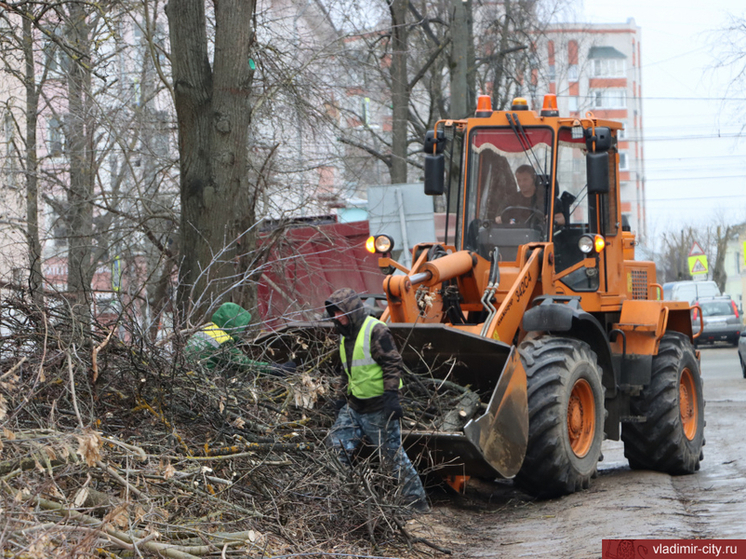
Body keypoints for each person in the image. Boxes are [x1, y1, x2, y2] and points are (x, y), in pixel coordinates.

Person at [324, 288, 429, 513]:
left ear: (351, 310)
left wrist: (392, 398)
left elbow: (392, 363)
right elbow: (348, 372)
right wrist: (341, 398)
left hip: (379, 407)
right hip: (355, 406)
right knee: (336, 447)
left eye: (340, 312)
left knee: (392, 456)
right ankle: (340, 498)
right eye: (333, 313)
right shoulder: (346, 337)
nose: (336, 317)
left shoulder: (375, 330)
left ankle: (416, 502)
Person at [184, 302, 295, 375]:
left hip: (185, 376)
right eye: (241, 328)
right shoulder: (223, 341)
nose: (242, 332)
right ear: (233, 326)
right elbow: (245, 365)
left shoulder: (206, 329)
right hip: (201, 382)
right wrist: (278, 369)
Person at [496, 164, 566, 227]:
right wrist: (501, 220)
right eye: (519, 180)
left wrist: (550, 220)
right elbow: (498, 218)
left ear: (534, 178)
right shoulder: (511, 200)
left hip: (540, 238)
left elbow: (562, 219)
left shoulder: (547, 199)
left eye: (525, 180)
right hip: (515, 237)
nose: (521, 183)